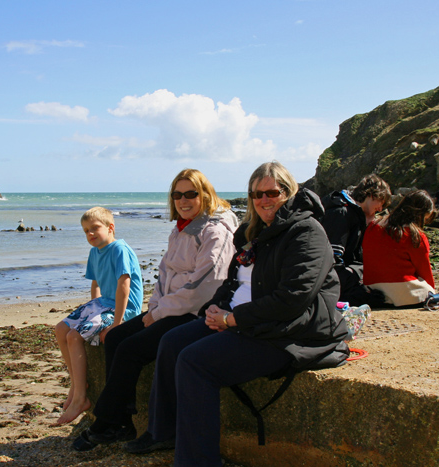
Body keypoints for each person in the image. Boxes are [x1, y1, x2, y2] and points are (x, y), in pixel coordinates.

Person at [124, 161, 350, 466]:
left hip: (285, 331)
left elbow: (292, 299)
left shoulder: (305, 232)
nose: (264, 200)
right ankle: (164, 432)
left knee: (195, 362)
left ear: (288, 192)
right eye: (257, 194)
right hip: (241, 319)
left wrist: (232, 319)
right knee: (172, 342)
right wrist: (215, 308)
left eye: (272, 192)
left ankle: (199, 461)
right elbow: (233, 281)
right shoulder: (252, 232)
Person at [71, 169, 238, 451]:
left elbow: (203, 287)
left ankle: (105, 422)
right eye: (177, 195)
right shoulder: (181, 228)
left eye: (190, 194)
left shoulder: (216, 231)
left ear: (205, 195)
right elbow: (163, 275)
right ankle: (121, 423)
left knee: (130, 350)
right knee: (114, 338)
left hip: (195, 312)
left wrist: (157, 315)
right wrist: (155, 306)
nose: (183, 200)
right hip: (169, 308)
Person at [54, 206, 143, 425]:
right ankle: (76, 384)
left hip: (123, 308)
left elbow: (124, 285)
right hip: (102, 304)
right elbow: (96, 283)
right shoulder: (95, 251)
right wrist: (91, 308)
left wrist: (118, 323)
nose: (90, 234)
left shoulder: (119, 249)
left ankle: (81, 399)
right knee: (61, 329)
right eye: (85, 231)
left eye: (94, 228)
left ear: (110, 227)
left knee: (75, 336)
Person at [320, 174, 391, 306]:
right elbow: (332, 259)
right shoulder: (341, 212)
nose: (380, 209)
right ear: (371, 195)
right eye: (381, 202)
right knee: (376, 297)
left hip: (342, 275)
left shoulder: (354, 214)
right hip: (331, 279)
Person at [362, 190, 436, 307]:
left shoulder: (374, 225)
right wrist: (432, 290)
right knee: (427, 290)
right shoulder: (415, 235)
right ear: (420, 214)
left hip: (372, 289)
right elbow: (424, 270)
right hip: (403, 294)